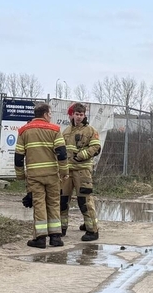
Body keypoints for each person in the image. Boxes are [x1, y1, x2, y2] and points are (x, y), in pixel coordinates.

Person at [15, 103, 68, 248]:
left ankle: (40, 238)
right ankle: (56, 238)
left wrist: (20, 175)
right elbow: (62, 153)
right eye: (50, 114)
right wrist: (64, 173)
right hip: (52, 174)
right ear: (45, 114)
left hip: (34, 176)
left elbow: (19, 156)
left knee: (39, 204)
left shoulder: (24, 131)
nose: (51, 116)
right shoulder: (55, 130)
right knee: (54, 204)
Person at [60, 103, 102, 241]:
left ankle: (92, 230)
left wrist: (82, 155)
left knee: (84, 201)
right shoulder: (65, 131)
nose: (78, 117)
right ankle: (61, 228)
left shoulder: (90, 130)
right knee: (62, 200)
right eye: (76, 114)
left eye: (81, 114)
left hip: (82, 171)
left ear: (84, 115)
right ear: (72, 115)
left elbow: (96, 147)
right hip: (67, 171)